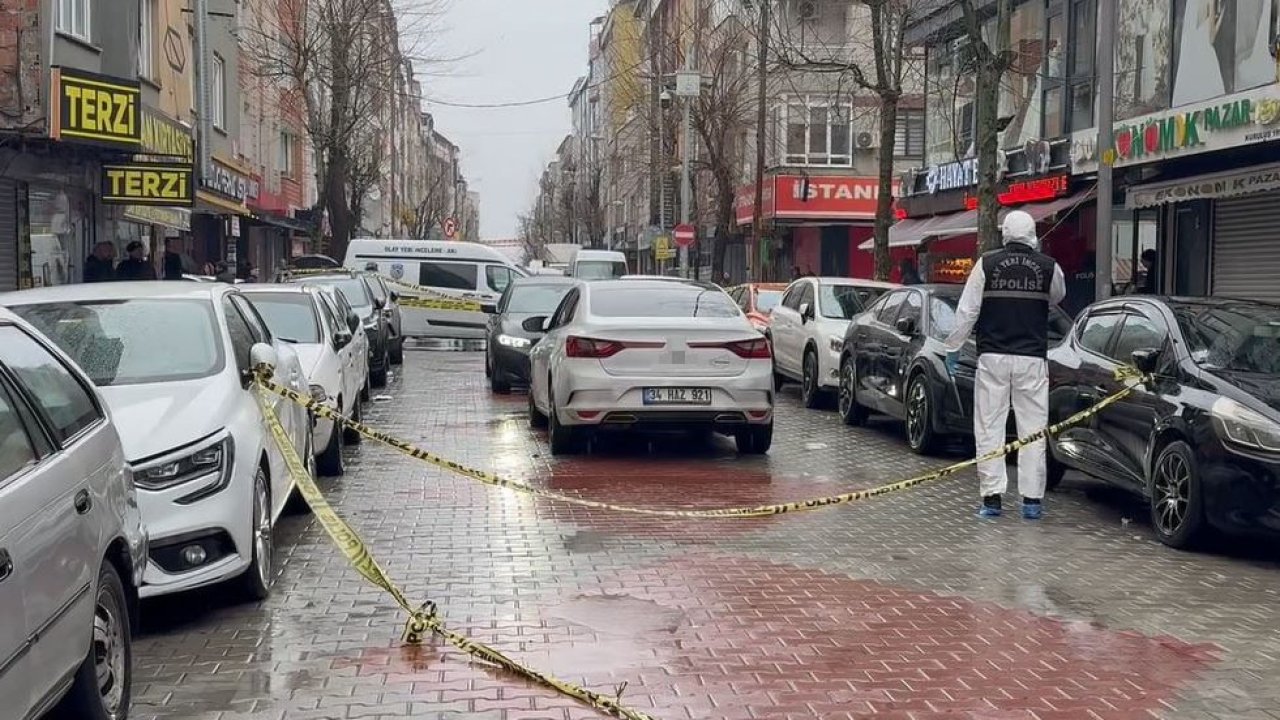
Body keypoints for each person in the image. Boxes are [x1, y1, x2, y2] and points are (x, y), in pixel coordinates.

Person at [943, 210, 1066, 520]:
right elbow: (1058, 297)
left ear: (1006, 234)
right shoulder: (1049, 267)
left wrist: (953, 348)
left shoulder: (987, 263)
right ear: (1032, 233)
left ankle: (992, 498)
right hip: (1032, 359)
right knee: (1033, 429)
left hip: (993, 356)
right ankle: (1032, 501)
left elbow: (967, 311)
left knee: (989, 426)